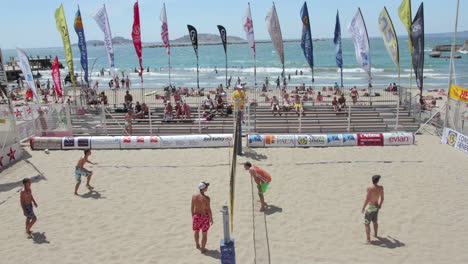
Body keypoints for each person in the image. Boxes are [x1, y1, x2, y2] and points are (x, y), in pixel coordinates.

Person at [361, 175, 384, 244]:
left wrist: (363, 207)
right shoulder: (381, 188)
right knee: (375, 221)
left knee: (367, 223)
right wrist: (380, 205)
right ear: (378, 180)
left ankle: (368, 240)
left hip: (370, 208)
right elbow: (382, 198)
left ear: (372, 180)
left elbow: (367, 199)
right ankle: (375, 234)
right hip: (376, 207)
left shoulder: (369, 188)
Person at [191, 182, 213, 253]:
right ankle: (203, 249)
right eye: (206, 187)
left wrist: (193, 216)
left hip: (196, 216)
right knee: (204, 234)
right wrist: (211, 218)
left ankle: (197, 245)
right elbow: (208, 209)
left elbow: (192, 207)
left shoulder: (194, 196)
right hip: (204, 217)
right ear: (203, 188)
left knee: (196, 231)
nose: (207, 188)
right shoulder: (206, 198)